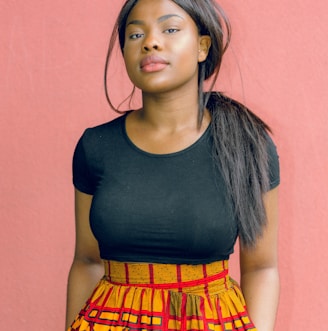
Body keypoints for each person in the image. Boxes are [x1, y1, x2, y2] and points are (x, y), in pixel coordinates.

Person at [66, 0, 280, 330]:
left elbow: (261, 268)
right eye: (135, 34)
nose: (150, 41)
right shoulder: (96, 147)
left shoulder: (248, 144)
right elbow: (87, 260)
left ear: (202, 47)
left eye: (170, 29)